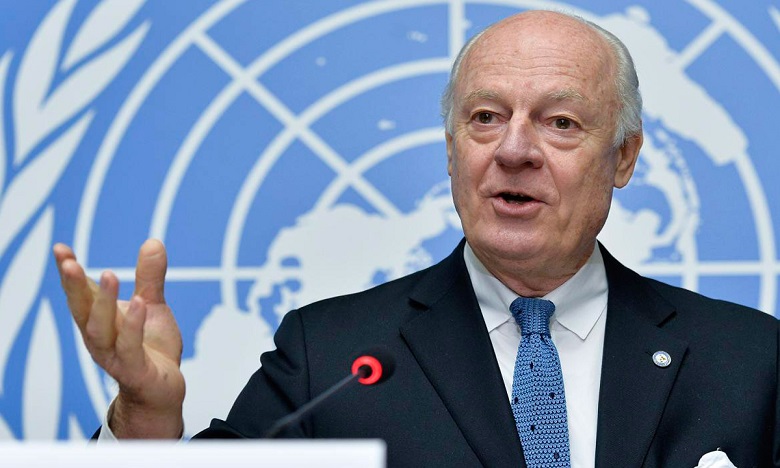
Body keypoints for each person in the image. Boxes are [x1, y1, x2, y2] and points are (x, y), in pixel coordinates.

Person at [54, 10, 779, 468]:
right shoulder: (330, 358)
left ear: (623, 158)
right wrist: (143, 418)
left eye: (560, 123)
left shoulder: (751, 361)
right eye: (485, 118)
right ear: (452, 150)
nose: (514, 150)